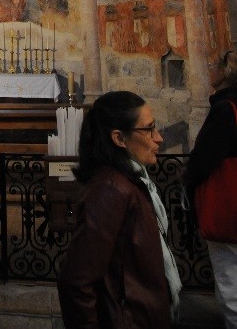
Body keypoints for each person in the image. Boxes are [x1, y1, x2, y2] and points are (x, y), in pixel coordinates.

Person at [57, 91, 182, 329]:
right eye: (148, 130)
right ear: (119, 138)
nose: (159, 138)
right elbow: (77, 281)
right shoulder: (111, 189)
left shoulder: (131, 180)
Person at [184, 49, 237, 329]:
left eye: (213, 64)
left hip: (227, 209)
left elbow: (204, 159)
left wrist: (188, 179)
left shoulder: (225, 109)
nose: (209, 69)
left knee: (231, 288)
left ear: (226, 73)